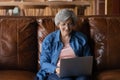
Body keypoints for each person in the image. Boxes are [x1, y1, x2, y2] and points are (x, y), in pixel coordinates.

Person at [35, 9, 92, 80]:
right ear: (58, 24)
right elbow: (44, 63)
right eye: (63, 24)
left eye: (70, 24)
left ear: (73, 24)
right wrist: (56, 69)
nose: (67, 28)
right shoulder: (49, 40)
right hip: (57, 72)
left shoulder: (81, 38)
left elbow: (88, 59)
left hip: (78, 72)